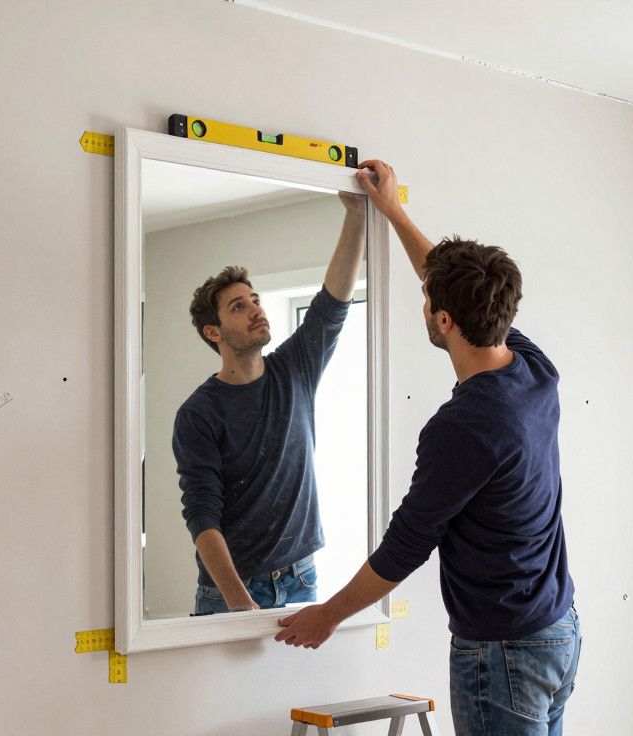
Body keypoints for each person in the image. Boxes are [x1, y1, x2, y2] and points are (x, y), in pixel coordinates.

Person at [275, 160, 581, 736]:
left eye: (429, 303)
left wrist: (327, 616)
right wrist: (392, 211)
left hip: (504, 650)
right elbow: (455, 285)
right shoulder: (534, 371)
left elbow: (405, 545)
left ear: (443, 319)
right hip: (556, 631)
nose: (423, 305)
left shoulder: (462, 427)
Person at [173, 193, 366, 615]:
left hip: (301, 577)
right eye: (238, 307)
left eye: (256, 300)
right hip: (231, 591)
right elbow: (202, 516)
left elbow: (333, 304)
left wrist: (356, 214)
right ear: (214, 332)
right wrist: (239, 601)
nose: (255, 310)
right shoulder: (198, 413)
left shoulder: (294, 369)